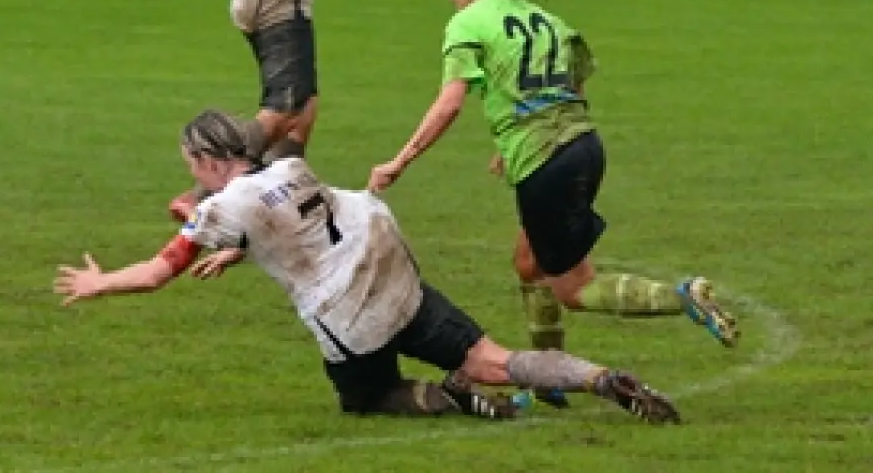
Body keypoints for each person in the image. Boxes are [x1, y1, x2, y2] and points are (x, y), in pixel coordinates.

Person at [54, 109, 681, 425]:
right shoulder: (286, 166)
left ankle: (454, 400)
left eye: (189, 163)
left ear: (203, 158)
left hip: (346, 301)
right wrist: (238, 250)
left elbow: (160, 271)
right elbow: (285, 216)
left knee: (365, 397)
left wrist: (98, 281)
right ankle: (602, 378)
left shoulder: (222, 205)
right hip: (380, 248)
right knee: (495, 357)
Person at [365, 0, 739, 409]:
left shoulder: (468, 23)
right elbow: (574, 84)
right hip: (583, 145)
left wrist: (399, 160)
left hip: (546, 163)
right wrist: (516, 136)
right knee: (528, 262)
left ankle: (681, 297)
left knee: (574, 287)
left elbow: (449, 104)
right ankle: (548, 380)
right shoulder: (547, 20)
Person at [169, 0, 348, 222]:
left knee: (305, 107)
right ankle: (201, 196)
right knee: (286, 107)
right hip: (276, 1)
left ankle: (280, 197)